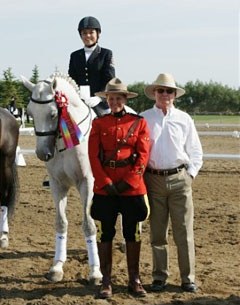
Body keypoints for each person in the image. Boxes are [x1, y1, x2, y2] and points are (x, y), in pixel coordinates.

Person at [141, 73, 203, 293]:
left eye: (168, 91)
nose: (164, 94)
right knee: (158, 232)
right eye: (161, 90)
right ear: (154, 94)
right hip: (153, 180)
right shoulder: (144, 118)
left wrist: (190, 175)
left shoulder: (184, 119)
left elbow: (195, 151)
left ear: (175, 94)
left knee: (184, 232)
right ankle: (159, 276)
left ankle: (188, 278)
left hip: (179, 180)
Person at [88, 77, 150, 299]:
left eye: (118, 98)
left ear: (125, 99)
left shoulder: (139, 122)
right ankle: (106, 280)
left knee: (132, 232)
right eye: (110, 98)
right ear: (107, 100)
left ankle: (134, 279)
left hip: (131, 186)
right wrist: (106, 182)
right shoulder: (99, 123)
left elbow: (143, 156)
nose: (114, 101)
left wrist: (129, 181)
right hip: (106, 188)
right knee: (106, 232)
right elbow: (93, 157)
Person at [68, 16, 115, 117]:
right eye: (84, 33)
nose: (88, 36)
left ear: (98, 34)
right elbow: (71, 79)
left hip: (100, 103)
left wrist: (100, 97)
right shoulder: (75, 55)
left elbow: (109, 80)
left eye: (91, 32)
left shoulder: (106, 54)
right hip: (79, 101)